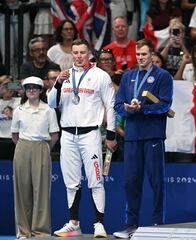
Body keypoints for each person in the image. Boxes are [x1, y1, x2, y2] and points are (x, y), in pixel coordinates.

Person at [47, 39, 117, 238]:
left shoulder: (100, 76)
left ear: (89, 54)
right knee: (71, 182)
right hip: (68, 134)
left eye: (82, 52)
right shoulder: (65, 76)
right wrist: (58, 84)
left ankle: (99, 224)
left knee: (95, 181)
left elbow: (110, 106)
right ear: (71, 54)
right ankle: (73, 223)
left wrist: (111, 134)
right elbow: (52, 103)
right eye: (75, 52)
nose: (78, 56)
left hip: (90, 135)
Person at [113, 38, 173, 238]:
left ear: (152, 55)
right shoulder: (128, 76)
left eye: (144, 54)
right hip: (132, 136)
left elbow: (165, 105)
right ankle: (131, 224)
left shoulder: (163, 76)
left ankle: (158, 224)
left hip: (153, 135)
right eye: (138, 54)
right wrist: (129, 109)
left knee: (156, 181)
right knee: (131, 182)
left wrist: (143, 109)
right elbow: (118, 104)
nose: (140, 57)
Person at [11, 76, 59, 238]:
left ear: (40, 90)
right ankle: (23, 231)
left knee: (42, 191)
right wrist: (24, 148)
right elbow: (14, 135)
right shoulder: (19, 110)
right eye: (28, 87)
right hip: (22, 147)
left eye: (35, 87)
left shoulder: (48, 110)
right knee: (21, 190)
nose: (31, 90)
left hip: (42, 147)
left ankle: (41, 231)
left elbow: (54, 135)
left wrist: (43, 149)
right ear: (24, 91)